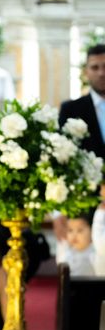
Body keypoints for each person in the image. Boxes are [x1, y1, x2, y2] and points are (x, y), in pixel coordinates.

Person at [56, 43, 105, 239]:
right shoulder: (71, 109)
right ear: (86, 71)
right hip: (84, 205)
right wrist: (58, 211)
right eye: (95, 67)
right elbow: (60, 159)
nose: (101, 73)